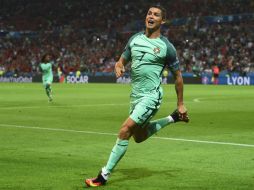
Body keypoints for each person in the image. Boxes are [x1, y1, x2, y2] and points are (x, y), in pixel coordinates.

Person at [85, 5, 189, 187]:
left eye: (156, 15)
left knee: (124, 130)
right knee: (139, 137)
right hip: (135, 97)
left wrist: (181, 103)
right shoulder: (134, 39)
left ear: (162, 21)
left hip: (151, 97)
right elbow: (121, 60)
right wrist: (118, 66)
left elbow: (178, 77)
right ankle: (172, 118)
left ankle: (103, 175)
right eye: (149, 13)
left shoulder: (166, 47)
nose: (151, 16)